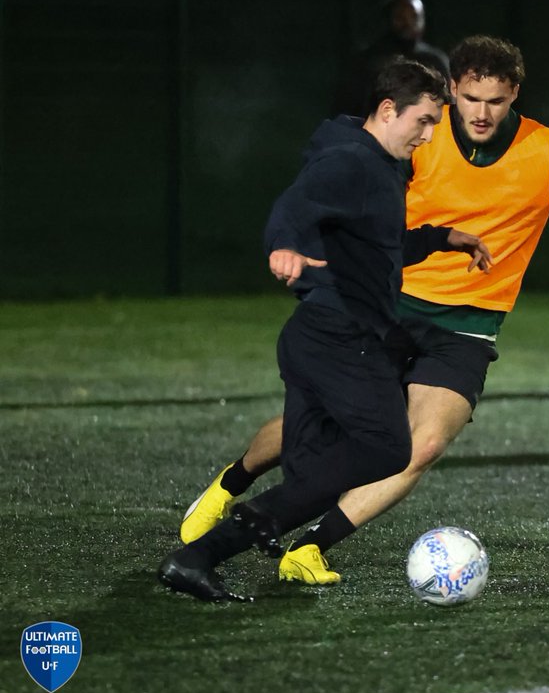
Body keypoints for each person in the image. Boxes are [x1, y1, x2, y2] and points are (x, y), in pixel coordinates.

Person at [178, 35, 549, 586]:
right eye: (471, 98)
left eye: (496, 101)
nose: (481, 113)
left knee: (422, 444)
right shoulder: (418, 133)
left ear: (514, 95)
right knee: (326, 432)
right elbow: (337, 174)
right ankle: (231, 483)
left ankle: (311, 545)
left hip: (467, 326)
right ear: (452, 88)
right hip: (386, 308)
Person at [159, 59, 492, 602]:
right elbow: (295, 204)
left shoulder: (380, 166)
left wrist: (439, 238)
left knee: (312, 474)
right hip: (342, 337)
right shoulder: (354, 161)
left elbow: (378, 247)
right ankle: (246, 525)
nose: (430, 136)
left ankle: (196, 558)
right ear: (388, 110)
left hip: (313, 336)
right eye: (425, 121)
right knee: (387, 449)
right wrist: (283, 244)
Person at [330, 0, 451, 117]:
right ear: (387, 20)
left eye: (414, 17)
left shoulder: (434, 60)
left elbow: (449, 106)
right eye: (400, 17)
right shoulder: (366, 61)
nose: (408, 23)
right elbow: (346, 107)